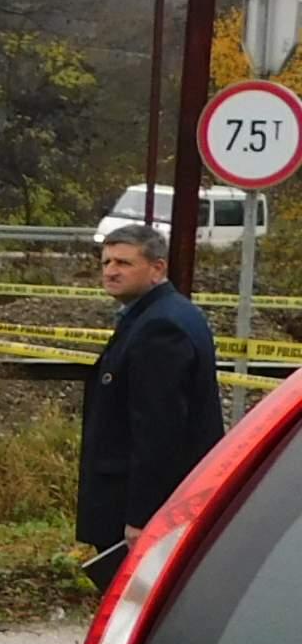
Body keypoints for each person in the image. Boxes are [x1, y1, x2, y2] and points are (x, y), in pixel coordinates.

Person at [78, 223, 224, 586]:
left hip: (143, 506)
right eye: (107, 261)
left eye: (124, 263)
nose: (111, 271)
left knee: (140, 604)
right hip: (146, 500)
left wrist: (142, 517)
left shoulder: (161, 329)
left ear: (156, 268)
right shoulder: (155, 316)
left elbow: (159, 431)